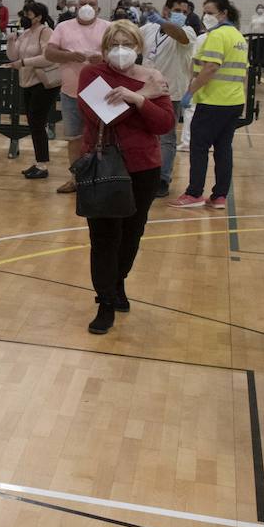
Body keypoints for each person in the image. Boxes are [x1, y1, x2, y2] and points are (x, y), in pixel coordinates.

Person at [77, 20, 174, 335]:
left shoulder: (153, 77)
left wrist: (139, 99)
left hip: (143, 167)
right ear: (105, 48)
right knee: (104, 237)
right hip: (104, 166)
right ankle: (105, 301)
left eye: (128, 44)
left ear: (139, 48)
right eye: (115, 43)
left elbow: (163, 124)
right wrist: (143, 95)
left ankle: (118, 284)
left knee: (132, 233)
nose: (122, 50)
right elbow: (102, 115)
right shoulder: (93, 75)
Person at [169, 0, 248, 210]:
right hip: (233, 101)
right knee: (223, 148)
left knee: (199, 147)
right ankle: (219, 196)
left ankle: (194, 192)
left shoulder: (217, 35)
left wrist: (190, 92)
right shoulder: (239, 37)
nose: (206, 16)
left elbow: (210, 67)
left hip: (214, 101)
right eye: (205, 11)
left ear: (224, 14)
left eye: (211, 12)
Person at [45, 0, 111, 193]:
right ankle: (76, 177)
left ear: (98, 8)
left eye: (91, 3)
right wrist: (70, 55)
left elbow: (121, 54)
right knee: (74, 138)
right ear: (76, 7)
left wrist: (103, 59)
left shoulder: (109, 27)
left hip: (101, 92)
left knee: (103, 138)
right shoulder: (63, 27)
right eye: (83, 3)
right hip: (70, 92)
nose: (87, 6)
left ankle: (103, 177)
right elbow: (49, 53)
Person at [139, 0, 197, 198]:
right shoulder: (148, 29)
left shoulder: (188, 31)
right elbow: (133, 44)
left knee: (166, 137)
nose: (181, 15)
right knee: (142, 134)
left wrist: (163, 21)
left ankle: (162, 178)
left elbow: (179, 35)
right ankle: (141, 173)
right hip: (144, 90)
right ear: (166, 9)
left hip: (170, 93)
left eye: (184, 12)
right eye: (177, 10)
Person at [3, 1, 58, 179]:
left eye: (28, 14)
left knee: (37, 123)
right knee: (33, 123)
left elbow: (48, 58)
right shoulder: (26, 33)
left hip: (42, 84)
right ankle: (39, 162)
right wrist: (10, 41)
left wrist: (25, 62)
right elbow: (14, 57)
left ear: (39, 17)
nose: (25, 18)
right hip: (26, 82)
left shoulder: (46, 32)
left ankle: (42, 164)